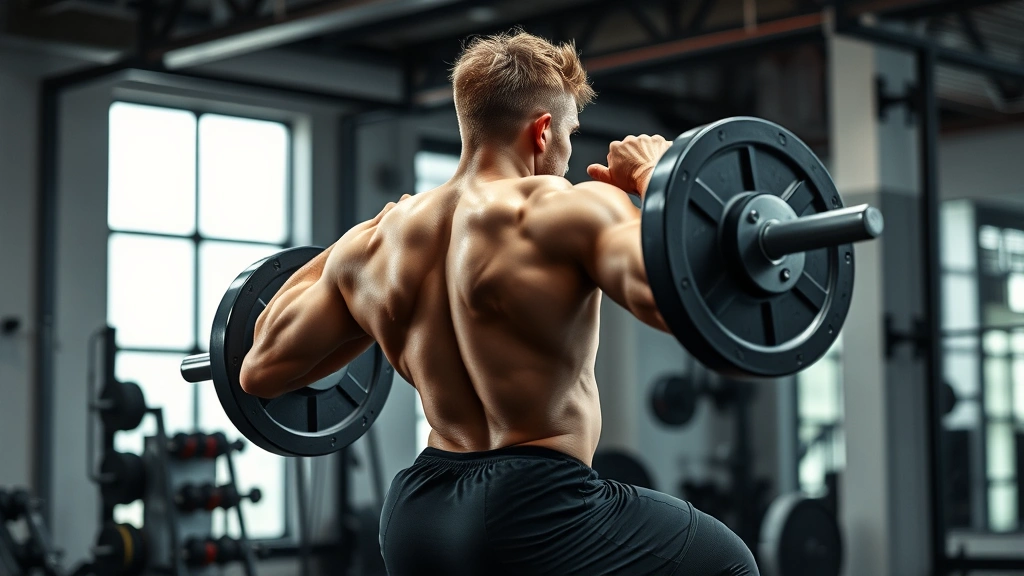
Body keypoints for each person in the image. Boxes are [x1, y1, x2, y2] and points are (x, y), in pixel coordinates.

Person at [239, 30, 758, 576]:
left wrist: (349, 246)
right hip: (533, 509)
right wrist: (658, 175)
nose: (568, 154)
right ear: (542, 131)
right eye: (569, 136)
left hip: (417, 515)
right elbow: (677, 297)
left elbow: (261, 369)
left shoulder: (375, 242)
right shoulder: (564, 207)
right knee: (727, 563)